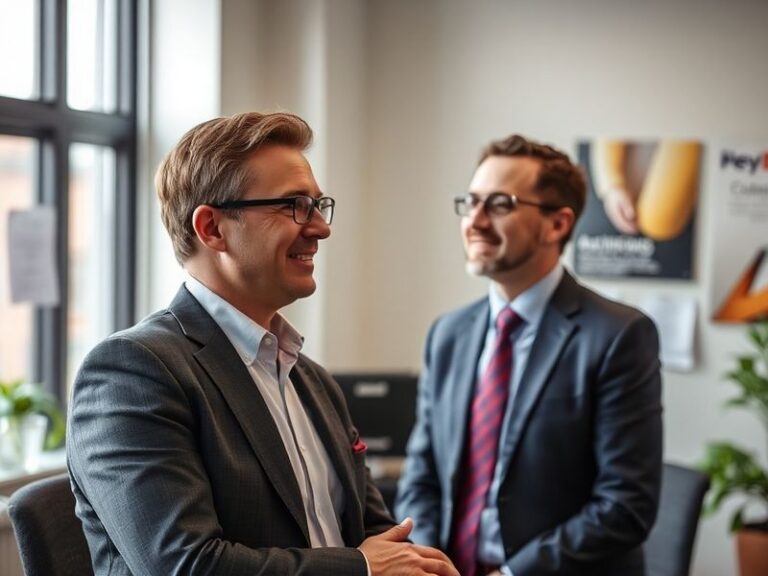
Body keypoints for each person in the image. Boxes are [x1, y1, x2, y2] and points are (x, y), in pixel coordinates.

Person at [67, 111, 459, 576]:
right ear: (212, 228)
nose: (320, 228)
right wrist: (360, 569)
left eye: (318, 204)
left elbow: (377, 534)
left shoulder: (311, 379)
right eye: (293, 205)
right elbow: (183, 566)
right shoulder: (133, 371)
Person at [395, 134, 663, 575]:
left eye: (499, 204)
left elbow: (624, 505)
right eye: (471, 202)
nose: (475, 221)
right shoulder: (448, 334)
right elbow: (423, 475)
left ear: (557, 225)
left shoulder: (619, 336)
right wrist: (426, 562)